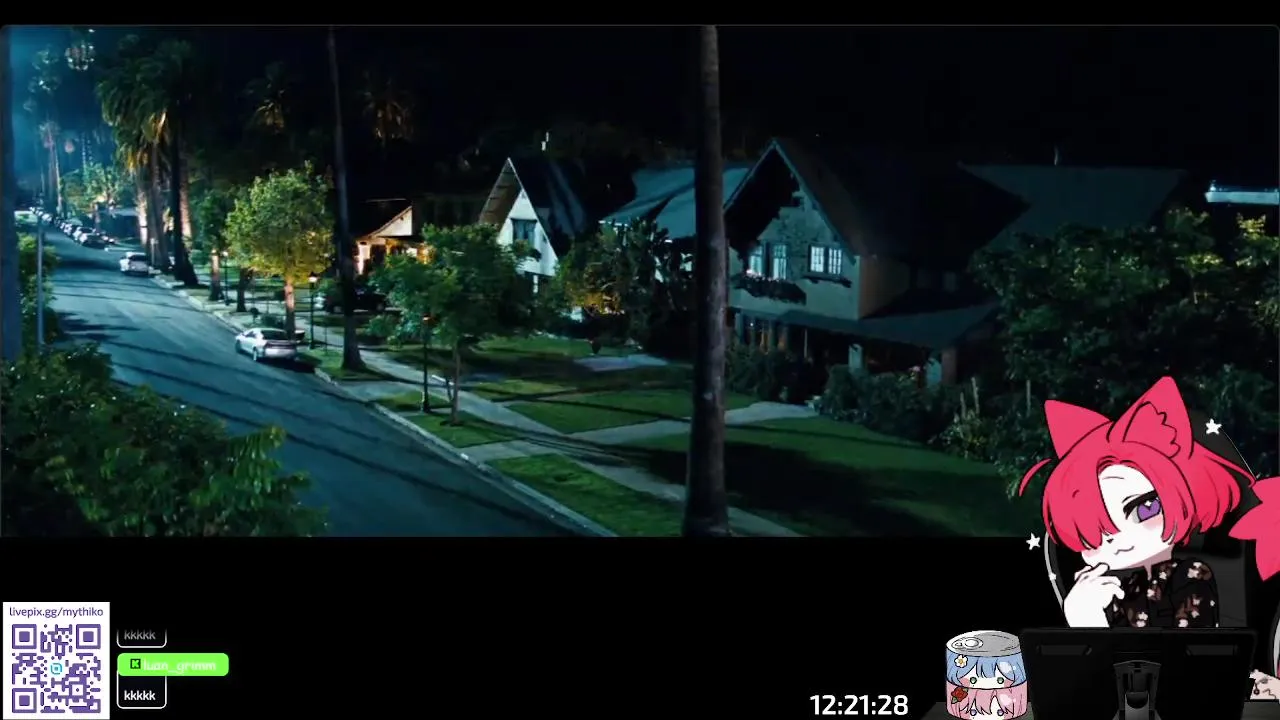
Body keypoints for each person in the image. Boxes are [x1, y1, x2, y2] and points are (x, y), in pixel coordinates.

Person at [1018, 377, 1280, 696]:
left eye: (1144, 509)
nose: (1119, 539)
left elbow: (1178, 674)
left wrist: (1090, 626)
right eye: (1096, 532)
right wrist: (1081, 618)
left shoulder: (1191, 576)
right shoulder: (1103, 589)